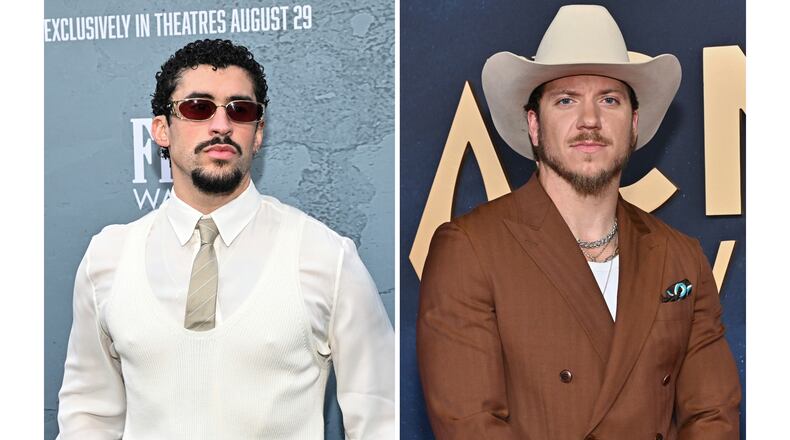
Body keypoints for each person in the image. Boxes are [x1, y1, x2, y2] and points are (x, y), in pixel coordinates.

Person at [417, 5, 740, 440]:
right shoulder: (470, 249)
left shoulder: (681, 256)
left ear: (634, 124)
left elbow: (713, 416)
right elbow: (471, 425)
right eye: (566, 100)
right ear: (534, 125)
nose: (590, 120)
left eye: (609, 100)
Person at [57, 39, 394, 439]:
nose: (221, 125)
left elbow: (381, 420)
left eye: (240, 110)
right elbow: (88, 417)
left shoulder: (325, 257)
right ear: (162, 129)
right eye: (198, 108)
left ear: (258, 133)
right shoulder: (108, 258)